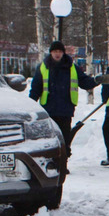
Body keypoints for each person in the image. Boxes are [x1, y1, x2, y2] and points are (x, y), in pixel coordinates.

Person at [29, 41, 79, 170]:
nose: (57, 54)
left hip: (65, 109)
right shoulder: (43, 67)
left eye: (60, 52)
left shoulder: (71, 67)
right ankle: (51, 164)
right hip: (49, 110)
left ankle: (63, 165)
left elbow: (84, 80)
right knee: (50, 140)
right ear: (51, 52)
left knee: (64, 139)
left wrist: (97, 81)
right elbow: (36, 87)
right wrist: (30, 104)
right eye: (55, 51)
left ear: (63, 53)